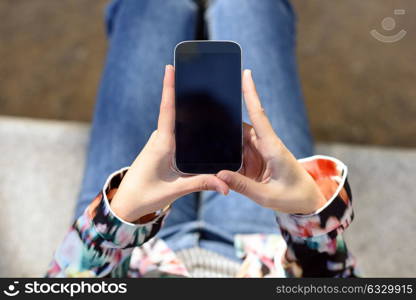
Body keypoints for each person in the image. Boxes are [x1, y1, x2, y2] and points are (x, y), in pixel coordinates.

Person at [46, 0, 358, 277]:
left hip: (136, 253)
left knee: (152, 7)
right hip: (264, 244)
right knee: (252, 6)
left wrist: (119, 220)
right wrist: (309, 214)